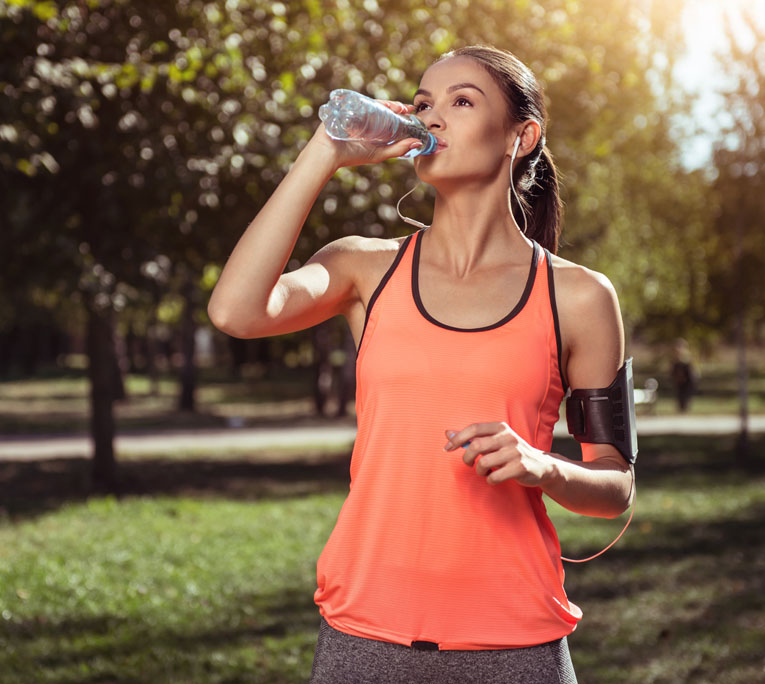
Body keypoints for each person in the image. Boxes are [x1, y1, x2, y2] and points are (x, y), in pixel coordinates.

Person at [208, 45, 634, 684]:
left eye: (462, 102)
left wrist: (542, 466)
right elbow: (236, 312)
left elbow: (616, 488)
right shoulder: (362, 268)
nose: (433, 118)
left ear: (522, 137)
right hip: (363, 636)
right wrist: (325, 151)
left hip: (514, 646)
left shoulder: (579, 297)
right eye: (425, 102)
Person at [670, 338, 697, 413]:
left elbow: (690, 369)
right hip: (679, 379)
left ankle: (685, 409)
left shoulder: (687, 355)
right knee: (680, 395)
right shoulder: (676, 355)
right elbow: (673, 368)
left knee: (686, 395)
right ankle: (681, 409)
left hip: (687, 379)